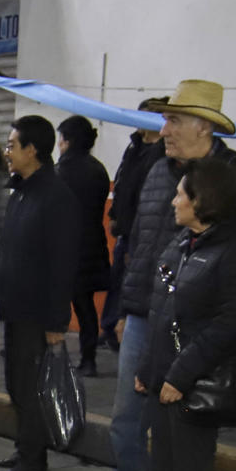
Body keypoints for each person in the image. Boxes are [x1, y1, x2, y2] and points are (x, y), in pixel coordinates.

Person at [98, 79, 236, 471]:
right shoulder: (158, 170)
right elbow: (139, 244)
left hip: (203, 324)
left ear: (203, 126)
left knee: (186, 428)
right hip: (147, 313)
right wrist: (125, 306)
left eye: (174, 119)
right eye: (164, 119)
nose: (164, 129)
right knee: (128, 416)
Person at [110, 158, 236, 471]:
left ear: (203, 201)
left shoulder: (234, 251)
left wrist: (180, 374)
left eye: (181, 194)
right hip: (166, 378)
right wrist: (149, 371)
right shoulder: (182, 244)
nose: (173, 201)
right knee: (166, 468)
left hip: (196, 383)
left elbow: (227, 325)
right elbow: (161, 314)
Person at [0, 116, 80, 471]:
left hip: (37, 311)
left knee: (31, 386)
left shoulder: (56, 197)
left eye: (12, 145)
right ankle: (24, 448)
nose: (7, 153)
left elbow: (62, 264)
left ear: (32, 150)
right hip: (15, 306)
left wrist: (57, 322)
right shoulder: (22, 190)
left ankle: (33, 462)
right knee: (16, 383)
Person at [102, 108, 166, 347]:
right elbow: (122, 184)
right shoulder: (134, 148)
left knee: (132, 280)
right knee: (118, 279)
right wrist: (115, 214)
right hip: (126, 228)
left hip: (142, 232)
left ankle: (123, 329)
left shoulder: (160, 155)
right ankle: (110, 327)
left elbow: (146, 197)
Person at [55, 115, 112, 376]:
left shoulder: (61, 170)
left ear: (67, 141)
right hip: (92, 243)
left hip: (65, 245)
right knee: (85, 304)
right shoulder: (99, 169)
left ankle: (50, 354)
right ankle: (88, 359)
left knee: (54, 302)